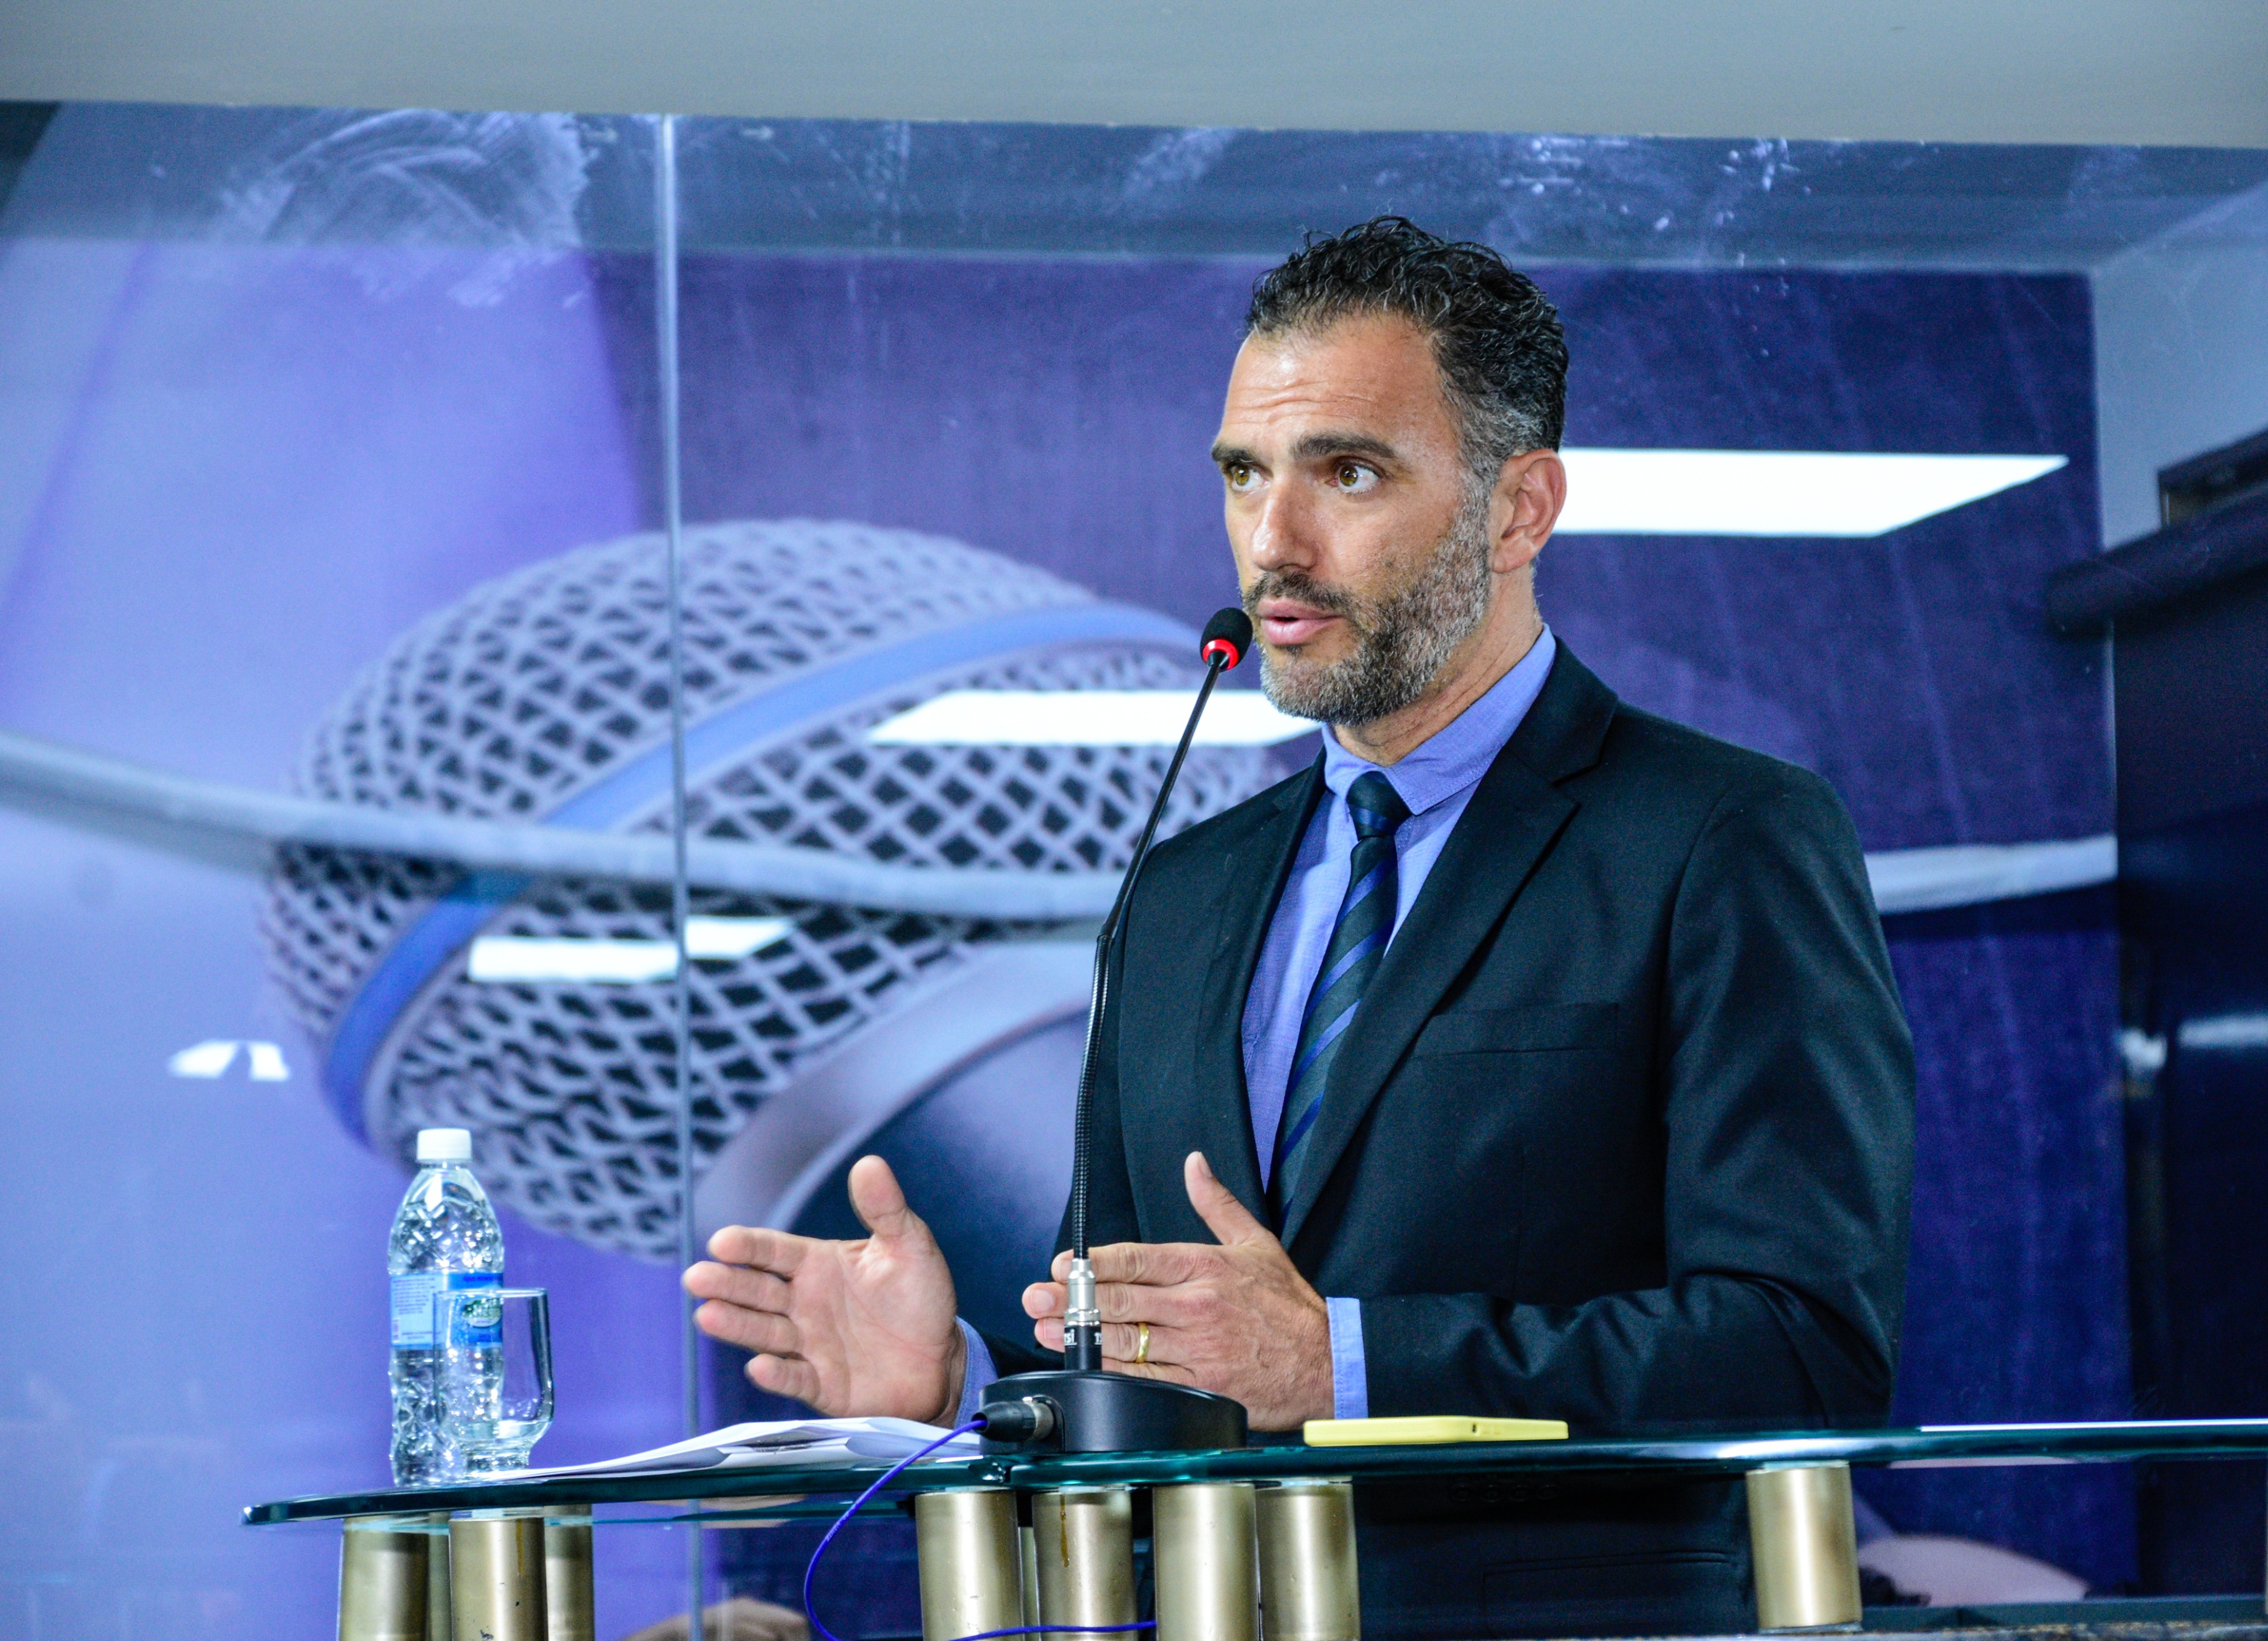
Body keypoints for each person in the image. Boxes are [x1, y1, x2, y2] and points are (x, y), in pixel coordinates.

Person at [685, 217, 1914, 1635]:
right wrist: (954, 1391)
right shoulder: (1179, 892)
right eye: (1244, 474)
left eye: (1348, 472)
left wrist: (1346, 1364)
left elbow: (1805, 1347)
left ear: (1519, 509)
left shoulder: (1721, 835)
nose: (1274, 543)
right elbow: (1149, 1369)